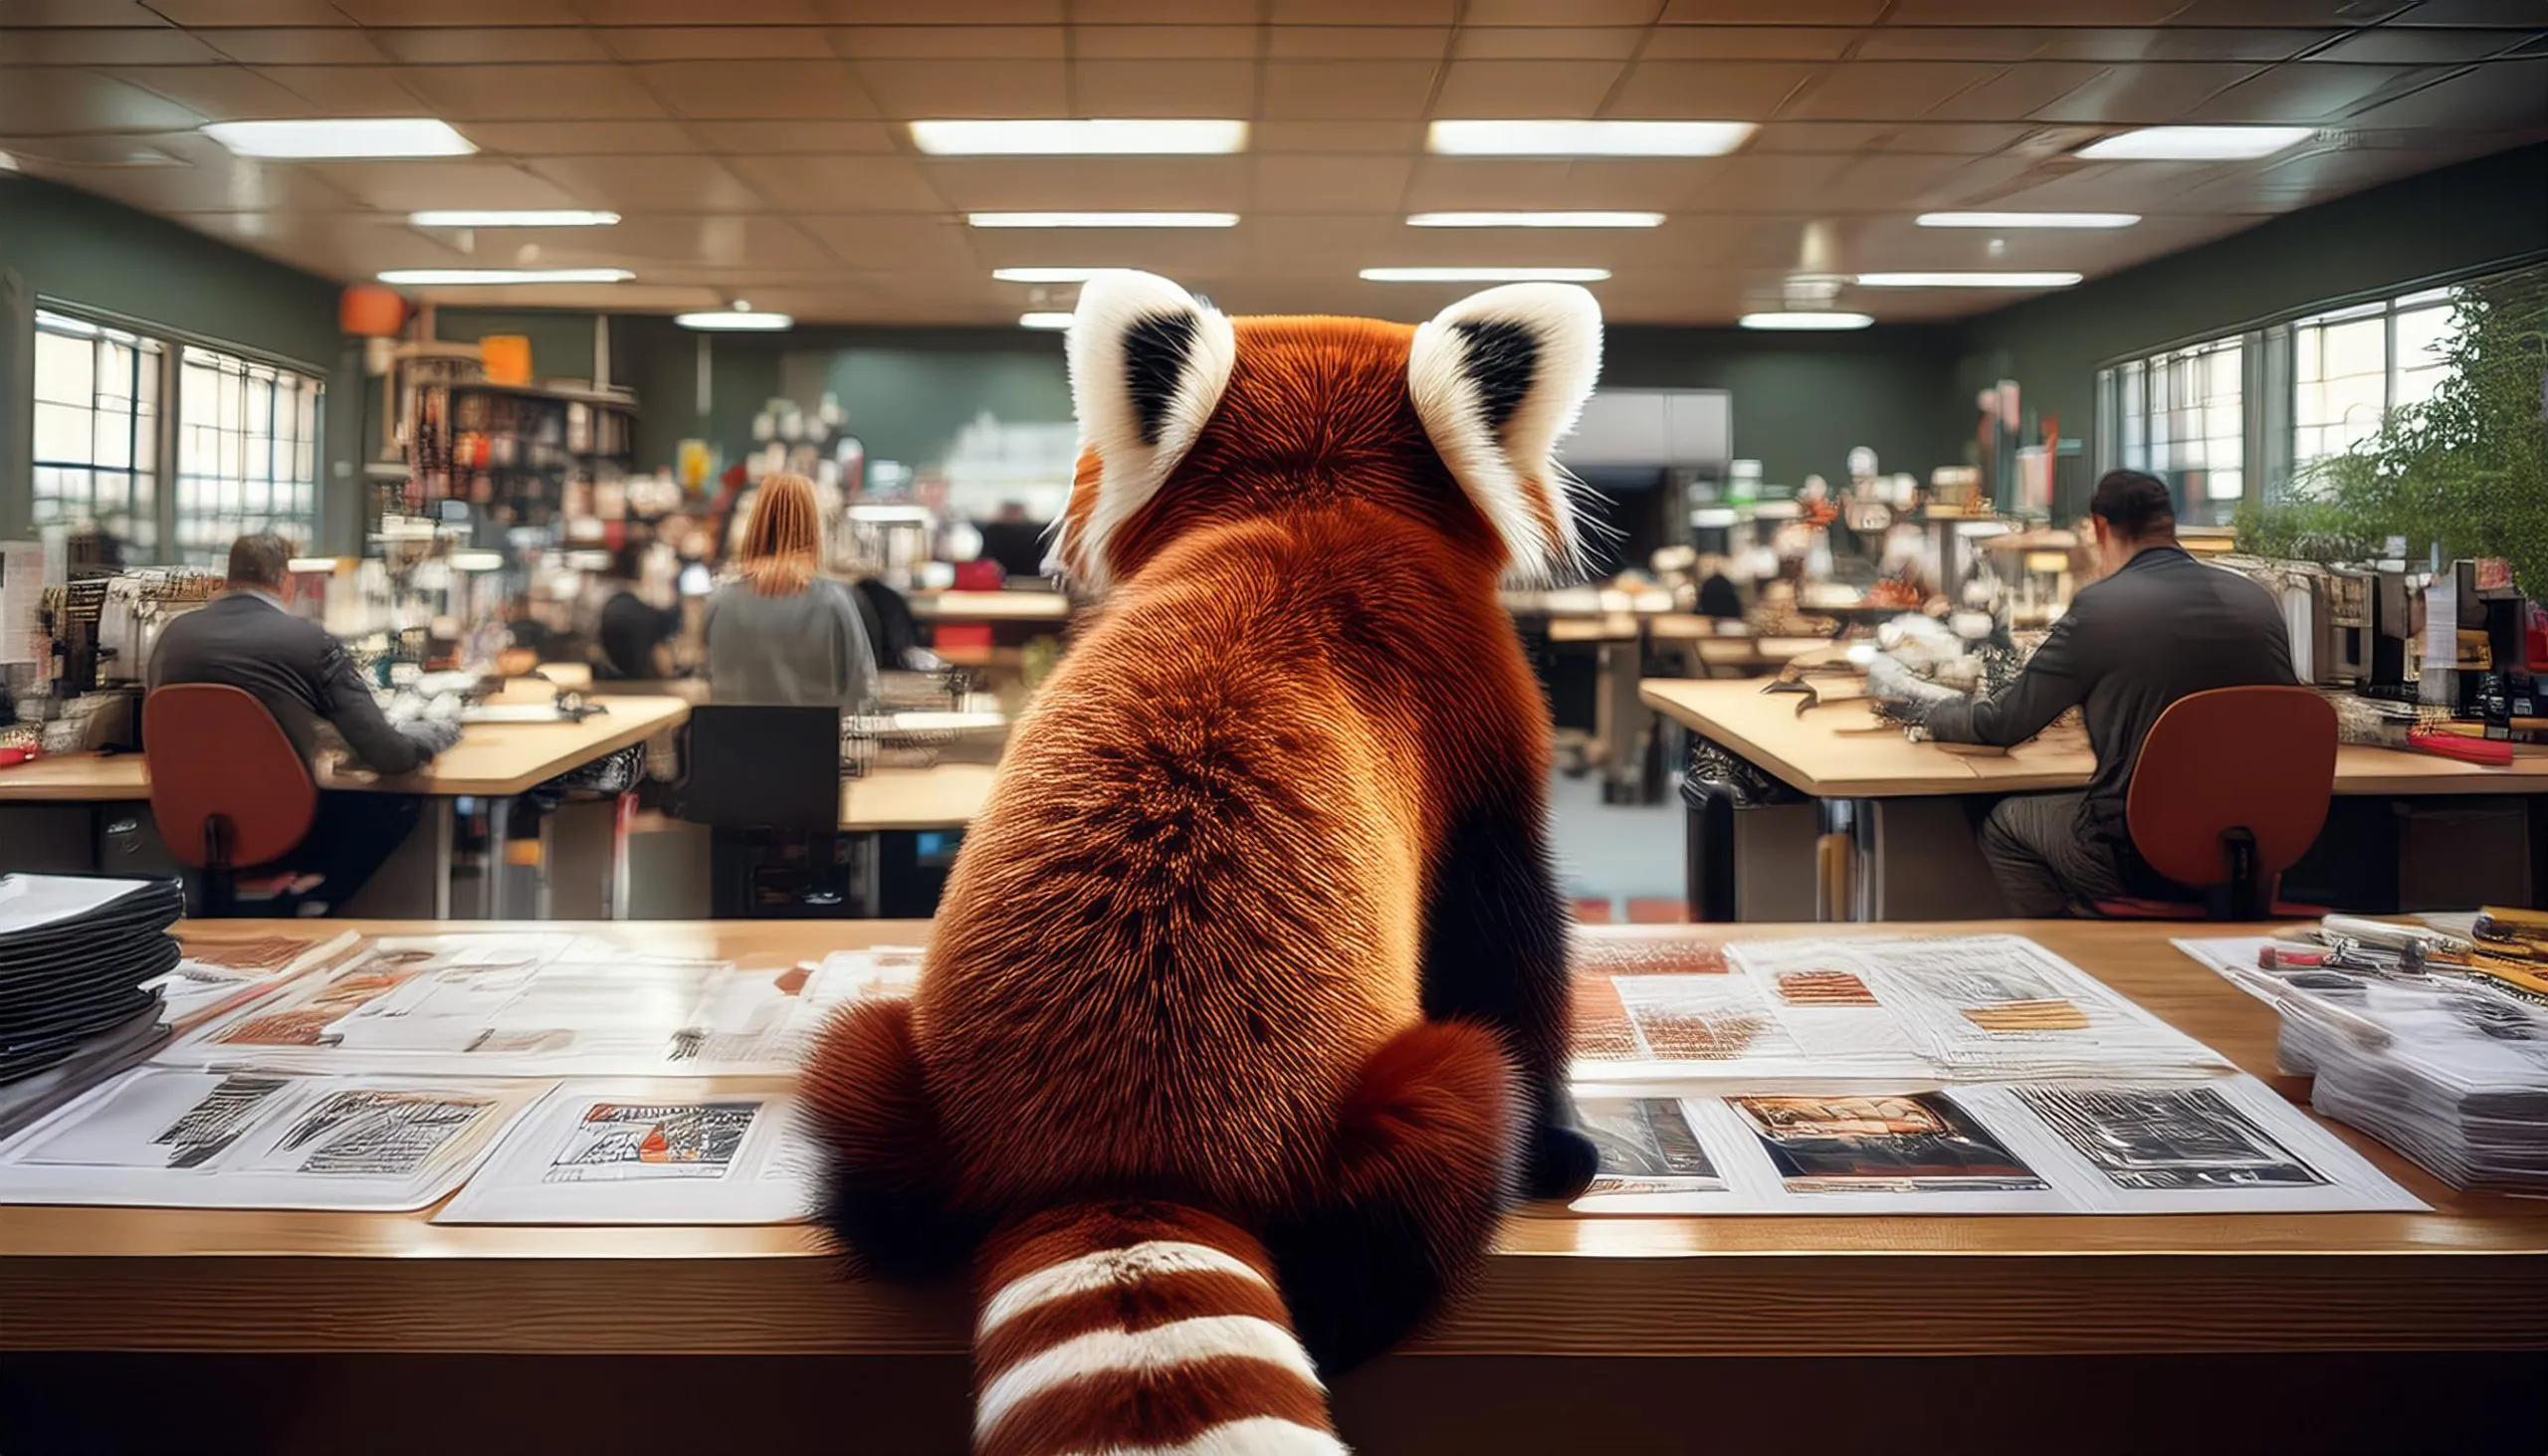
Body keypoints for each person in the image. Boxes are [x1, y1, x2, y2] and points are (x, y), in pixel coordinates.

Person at [1898, 470, 2297, 917]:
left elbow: (2003, 724)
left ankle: (2067, 951)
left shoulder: (2102, 607)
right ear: (2168, 523)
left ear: (2101, 527)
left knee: (2005, 823)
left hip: (2137, 855)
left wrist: (1931, 712)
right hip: (2255, 853)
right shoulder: (2256, 600)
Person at [148, 532, 460, 912]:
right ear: (287, 583)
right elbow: (386, 754)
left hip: (190, 823)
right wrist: (435, 733)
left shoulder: (172, 638)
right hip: (285, 822)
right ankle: (311, 898)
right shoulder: (309, 641)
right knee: (400, 801)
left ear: (227, 581)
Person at [703, 473, 878, 710]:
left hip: (730, 734)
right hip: (815, 734)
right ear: (814, 527)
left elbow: (701, 679)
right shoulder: (834, 601)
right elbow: (862, 689)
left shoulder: (719, 601)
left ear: (756, 524)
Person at [593, 537, 681, 681]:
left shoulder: (626, 604)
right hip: (634, 688)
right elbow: (660, 667)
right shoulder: (627, 609)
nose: (675, 568)